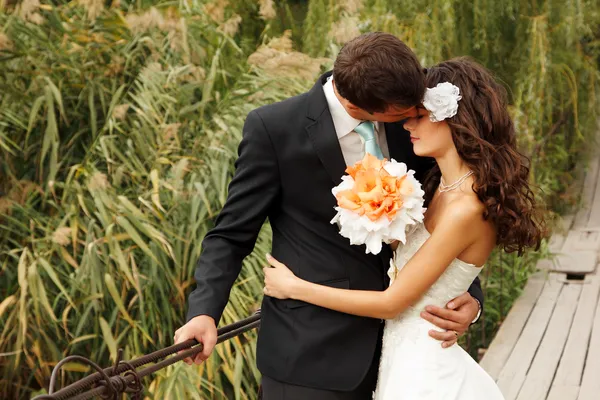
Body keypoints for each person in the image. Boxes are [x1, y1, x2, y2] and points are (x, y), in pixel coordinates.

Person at [174, 33, 485, 400]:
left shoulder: (412, 126)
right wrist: (204, 311)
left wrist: (469, 296)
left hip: (403, 358)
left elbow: (445, 217)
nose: (414, 116)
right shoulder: (274, 129)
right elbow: (231, 235)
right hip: (308, 359)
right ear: (363, 107)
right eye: (404, 113)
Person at [263, 57, 545, 399]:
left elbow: (392, 303)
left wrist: (294, 287)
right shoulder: (439, 186)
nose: (407, 125)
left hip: (424, 372)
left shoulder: (465, 209)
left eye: (419, 116)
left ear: (454, 121)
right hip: (401, 359)